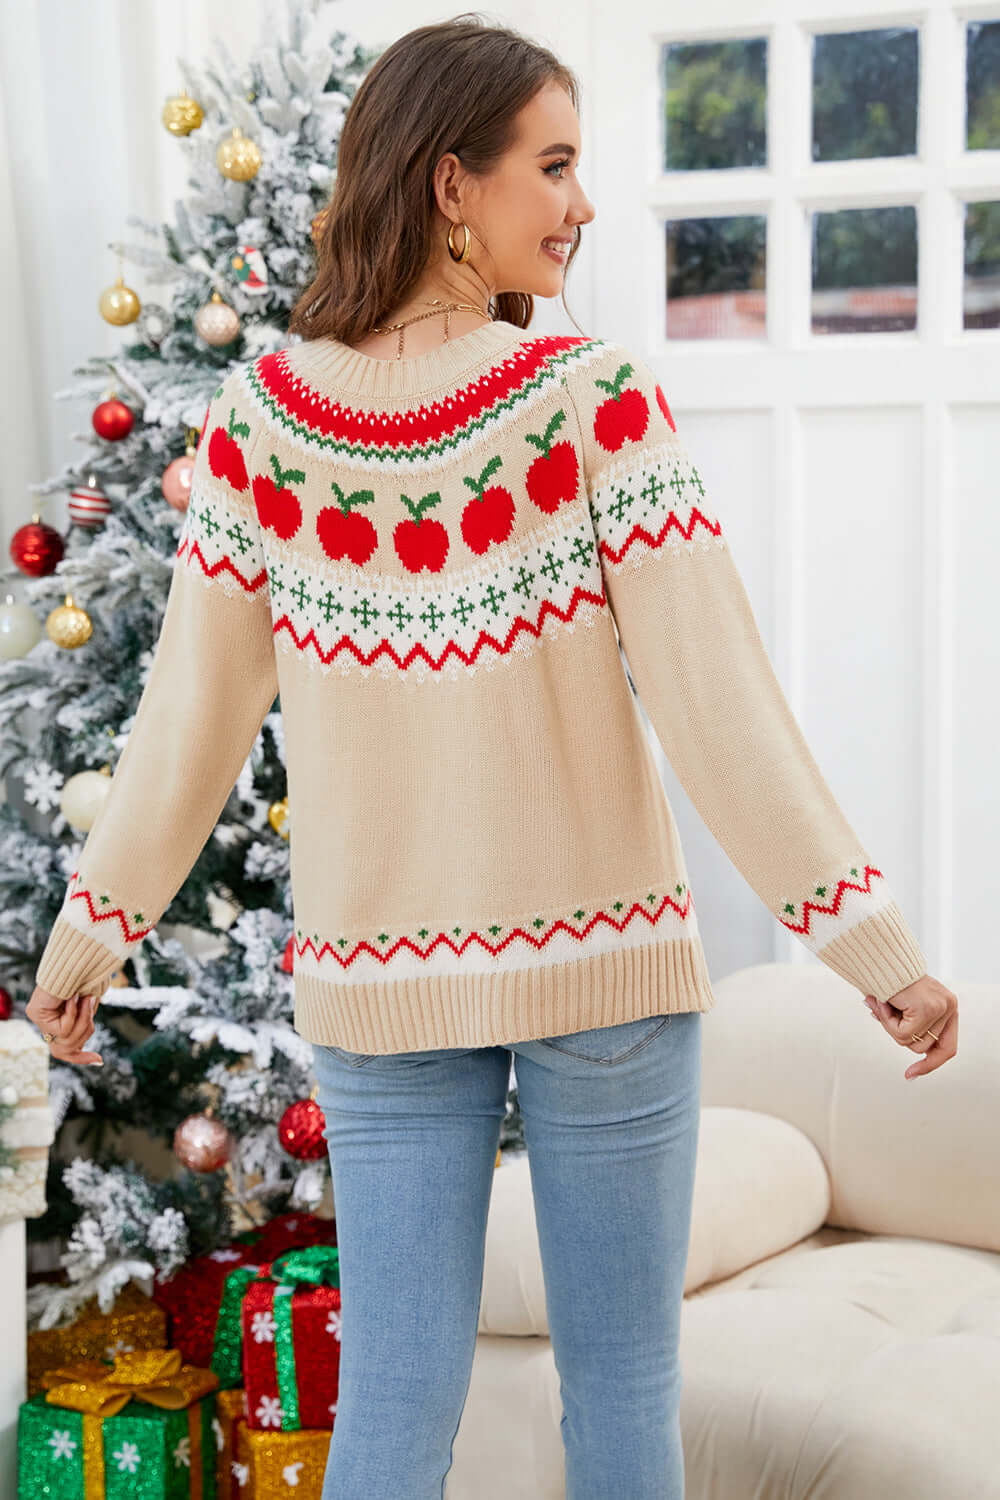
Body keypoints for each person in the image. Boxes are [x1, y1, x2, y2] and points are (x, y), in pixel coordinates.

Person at [27, 15, 958, 1500]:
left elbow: (183, 728)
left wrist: (92, 932)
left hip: (379, 982)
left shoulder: (261, 427)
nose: (583, 204)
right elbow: (720, 706)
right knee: (625, 1390)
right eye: (558, 166)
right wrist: (867, 940)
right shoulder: (593, 405)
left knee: (394, 1396)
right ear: (452, 184)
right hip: (603, 963)